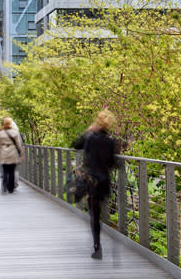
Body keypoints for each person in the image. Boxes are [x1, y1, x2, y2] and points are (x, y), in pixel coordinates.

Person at [72, 108, 118, 260]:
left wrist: (87, 131)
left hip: (92, 181)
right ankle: (103, 239)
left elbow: (75, 144)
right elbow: (112, 163)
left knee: (94, 215)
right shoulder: (111, 142)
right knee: (100, 212)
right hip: (104, 181)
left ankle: (97, 246)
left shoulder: (90, 138)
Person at [0, 117, 23, 194]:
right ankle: (11, 188)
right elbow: (18, 144)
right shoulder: (15, 132)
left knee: (5, 170)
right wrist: (21, 153)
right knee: (12, 171)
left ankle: (4, 185)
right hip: (13, 153)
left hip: (4, 153)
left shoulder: (1, 133)